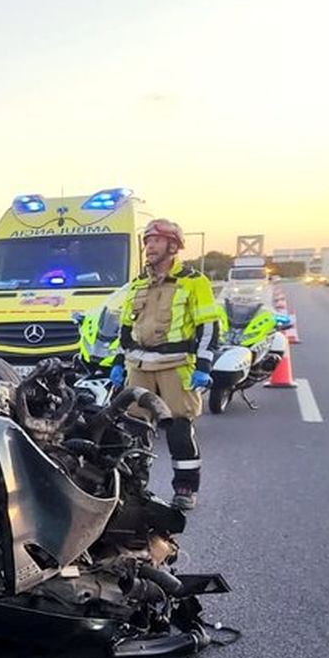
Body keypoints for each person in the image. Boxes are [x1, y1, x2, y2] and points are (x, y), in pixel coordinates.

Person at [109, 218, 221, 511]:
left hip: (176, 364)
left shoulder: (194, 282)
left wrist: (204, 366)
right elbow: (125, 329)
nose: (149, 247)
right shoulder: (137, 284)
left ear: (173, 246)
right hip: (139, 366)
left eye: (156, 240)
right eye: (147, 241)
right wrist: (119, 362)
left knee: (179, 429)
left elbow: (208, 326)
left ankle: (185, 488)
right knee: (134, 429)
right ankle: (135, 486)